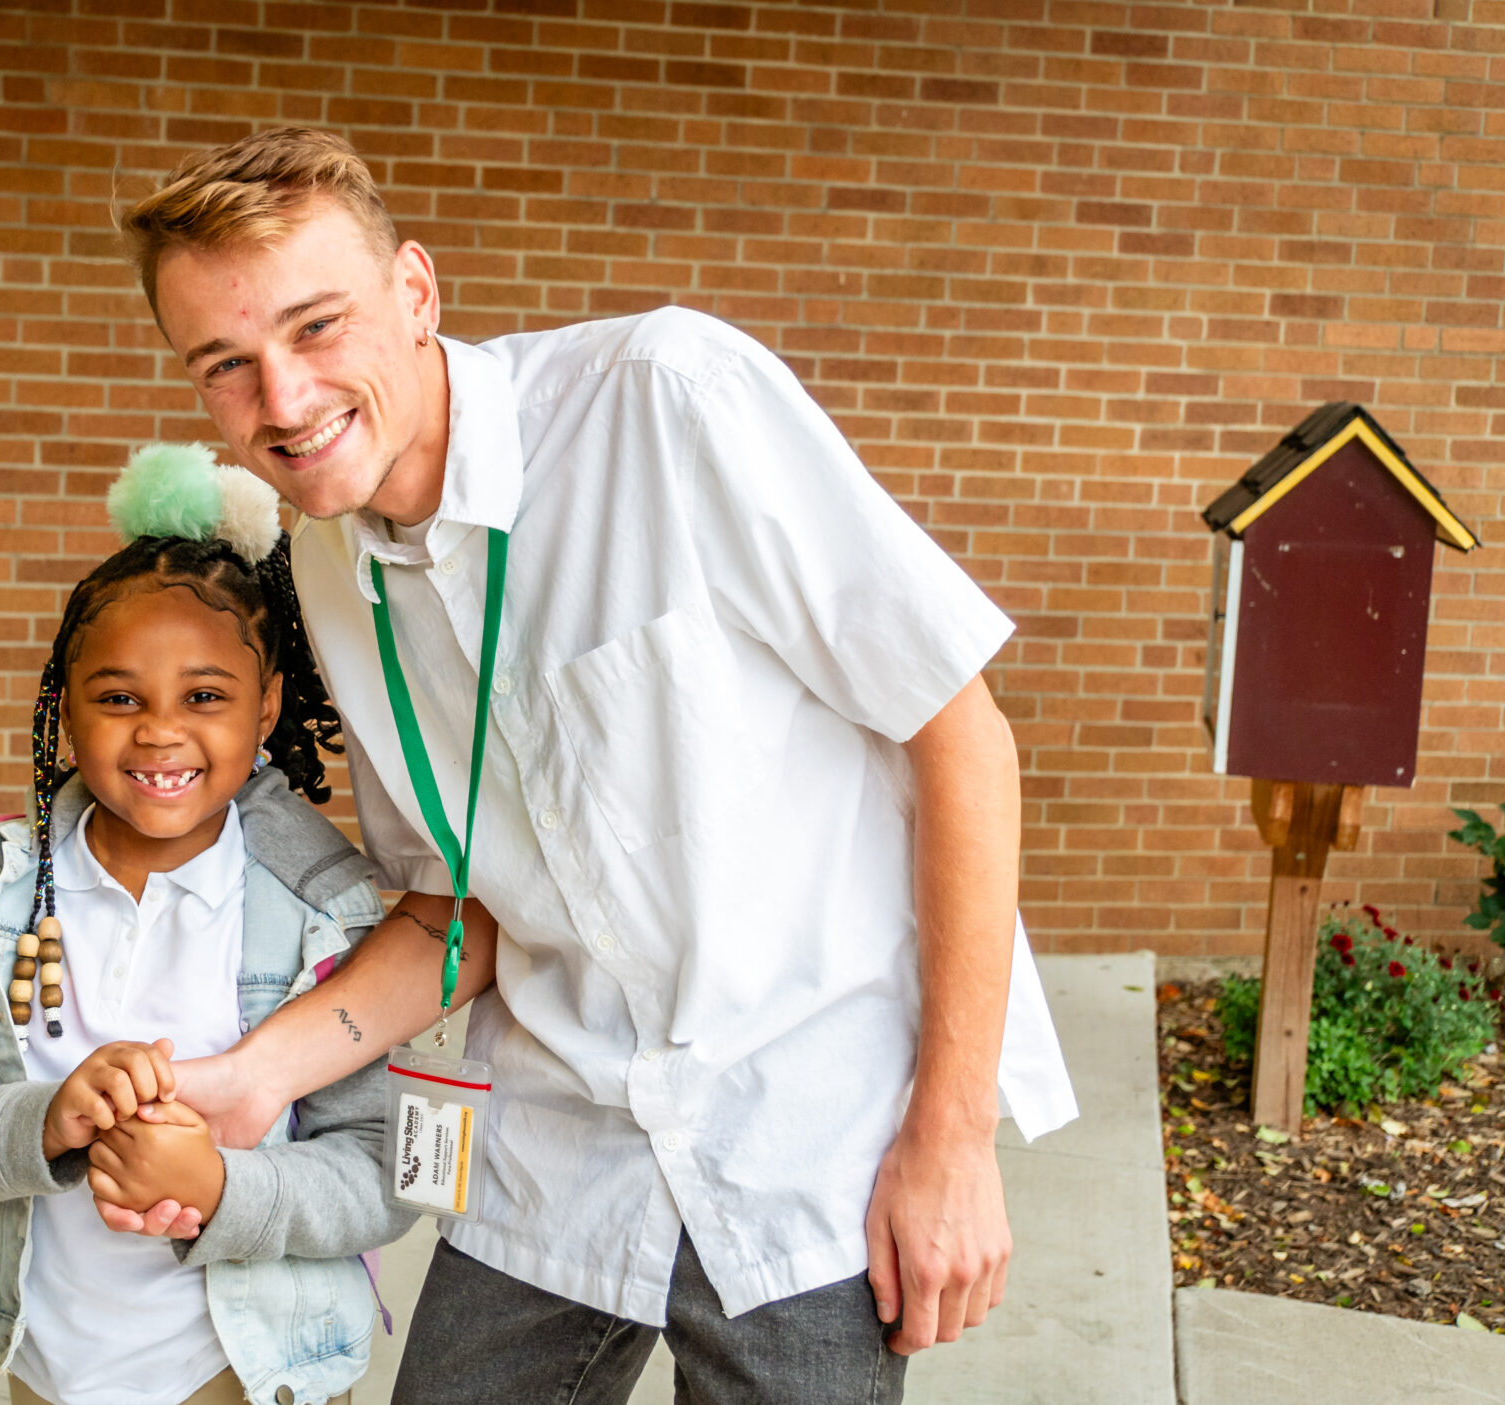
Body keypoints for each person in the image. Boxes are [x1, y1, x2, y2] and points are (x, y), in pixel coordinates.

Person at [95, 128, 1081, 1404]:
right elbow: (459, 909)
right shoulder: (329, 568)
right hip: (552, 1140)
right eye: (225, 364)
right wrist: (250, 1078)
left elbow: (961, 736)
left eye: (317, 327)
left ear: (415, 292)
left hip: (807, 1129)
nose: (280, 400)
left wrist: (950, 1141)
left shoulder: (670, 397)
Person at [0, 444, 417, 1405]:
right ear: (65, 712)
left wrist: (219, 1187)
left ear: (270, 704)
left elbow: (380, 1172)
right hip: (51, 1368)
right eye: (119, 698)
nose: (160, 731)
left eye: (205, 696)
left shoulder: (328, 911)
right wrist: (47, 1119)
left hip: (251, 1374)